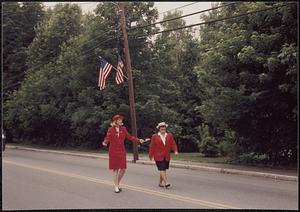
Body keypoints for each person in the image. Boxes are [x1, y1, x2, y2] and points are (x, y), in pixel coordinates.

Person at [102, 114, 145, 193]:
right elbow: (107, 137)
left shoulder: (123, 129)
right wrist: (105, 142)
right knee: (115, 169)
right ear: (115, 121)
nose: (120, 120)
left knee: (123, 169)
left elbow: (130, 137)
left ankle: (117, 183)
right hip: (113, 151)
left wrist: (138, 140)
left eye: (121, 119)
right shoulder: (111, 129)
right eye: (119, 119)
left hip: (122, 151)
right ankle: (116, 186)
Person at [149, 122, 178, 188]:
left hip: (166, 156)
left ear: (165, 128)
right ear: (159, 129)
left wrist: (175, 150)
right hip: (158, 156)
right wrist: (150, 155)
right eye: (161, 127)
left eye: (164, 127)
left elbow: (173, 143)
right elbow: (152, 146)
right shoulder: (154, 136)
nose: (163, 128)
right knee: (161, 168)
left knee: (163, 169)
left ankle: (160, 183)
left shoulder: (169, 135)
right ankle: (166, 182)